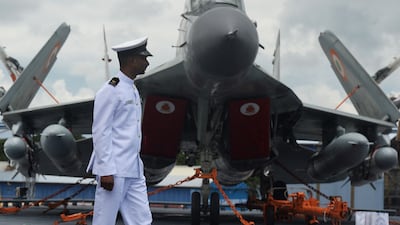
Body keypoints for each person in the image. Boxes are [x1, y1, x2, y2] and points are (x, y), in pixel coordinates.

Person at [86, 36, 153, 225]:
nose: (147, 62)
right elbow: (101, 131)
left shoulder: (131, 88)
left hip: (133, 168)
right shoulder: (110, 90)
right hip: (114, 170)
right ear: (132, 60)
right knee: (104, 220)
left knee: (142, 220)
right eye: (143, 58)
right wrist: (106, 170)